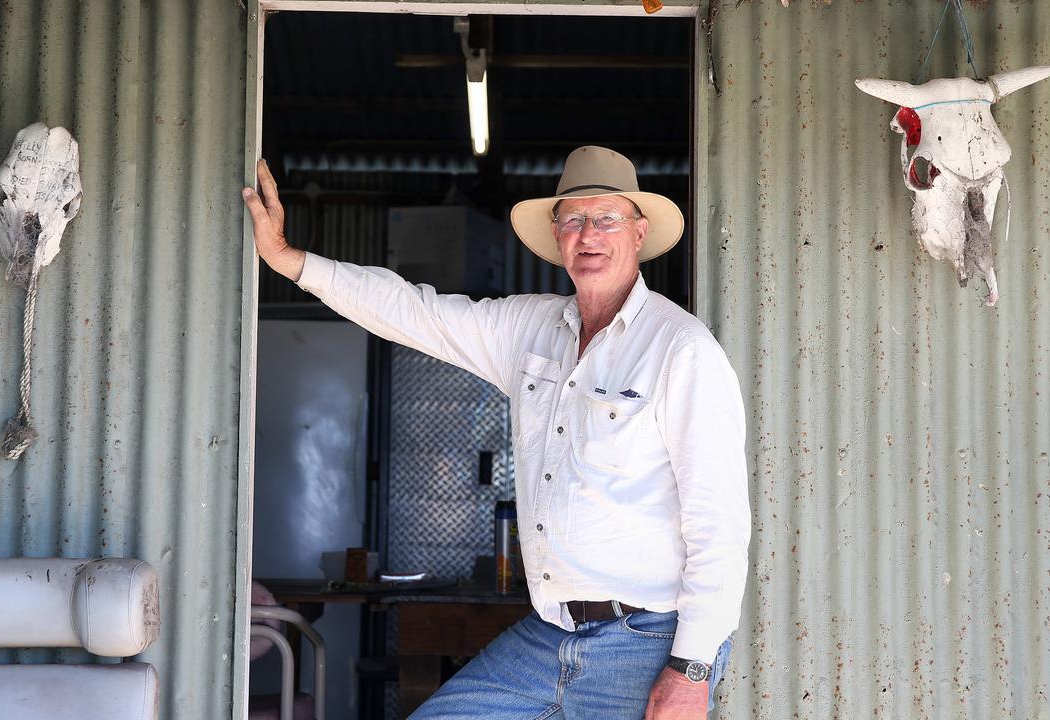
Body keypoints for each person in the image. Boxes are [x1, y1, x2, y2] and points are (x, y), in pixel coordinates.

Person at [243, 146, 750, 720]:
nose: (589, 233)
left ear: (638, 232)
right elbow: (417, 313)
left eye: (606, 218)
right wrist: (290, 261)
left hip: (647, 641)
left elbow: (720, 526)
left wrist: (692, 670)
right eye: (574, 218)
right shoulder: (530, 327)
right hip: (549, 636)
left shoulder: (682, 350)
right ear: (557, 235)